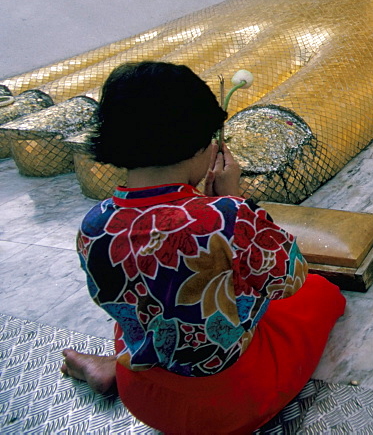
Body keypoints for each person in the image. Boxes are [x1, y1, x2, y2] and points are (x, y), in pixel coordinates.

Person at [60, 61, 346, 434]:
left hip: (145, 398)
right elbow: (289, 277)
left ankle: (116, 367)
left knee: (152, 302)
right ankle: (116, 367)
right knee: (321, 294)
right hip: (231, 405)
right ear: (200, 143)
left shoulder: (93, 225)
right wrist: (234, 200)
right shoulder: (226, 215)